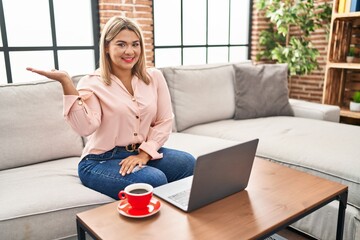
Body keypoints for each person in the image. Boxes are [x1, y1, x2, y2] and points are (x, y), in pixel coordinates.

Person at [27, 16, 195, 200]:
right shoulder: (91, 82)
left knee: (188, 163)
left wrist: (145, 154)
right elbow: (85, 128)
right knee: (154, 180)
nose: (130, 51)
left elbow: (164, 121)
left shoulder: (154, 76)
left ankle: (181, 217)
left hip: (141, 151)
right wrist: (67, 84)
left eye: (135, 44)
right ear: (107, 47)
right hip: (100, 160)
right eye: (121, 44)